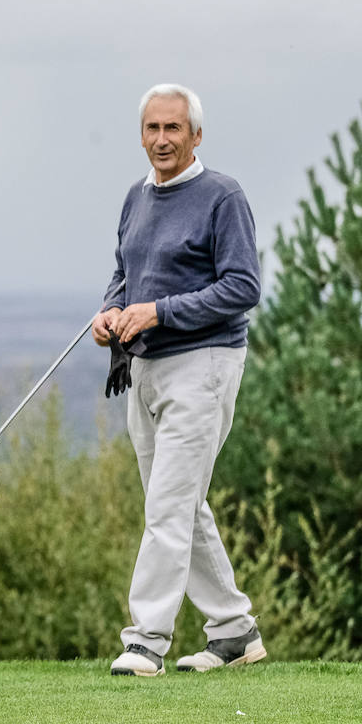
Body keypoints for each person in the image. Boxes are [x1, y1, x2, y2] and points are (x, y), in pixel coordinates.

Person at [92, 83, 265, 677]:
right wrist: (111, 311)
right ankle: (235, 632)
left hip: (205, 363)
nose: (161, 140)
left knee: (168, 509)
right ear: (141, 135)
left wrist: (159, 311)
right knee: (180, 507)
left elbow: (244, 288)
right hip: (144, 366)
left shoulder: (223, 196)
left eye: (173, 128)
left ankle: (145, 642)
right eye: (151, 129)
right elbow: (125, 274)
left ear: (196, 134)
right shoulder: (136, 198)